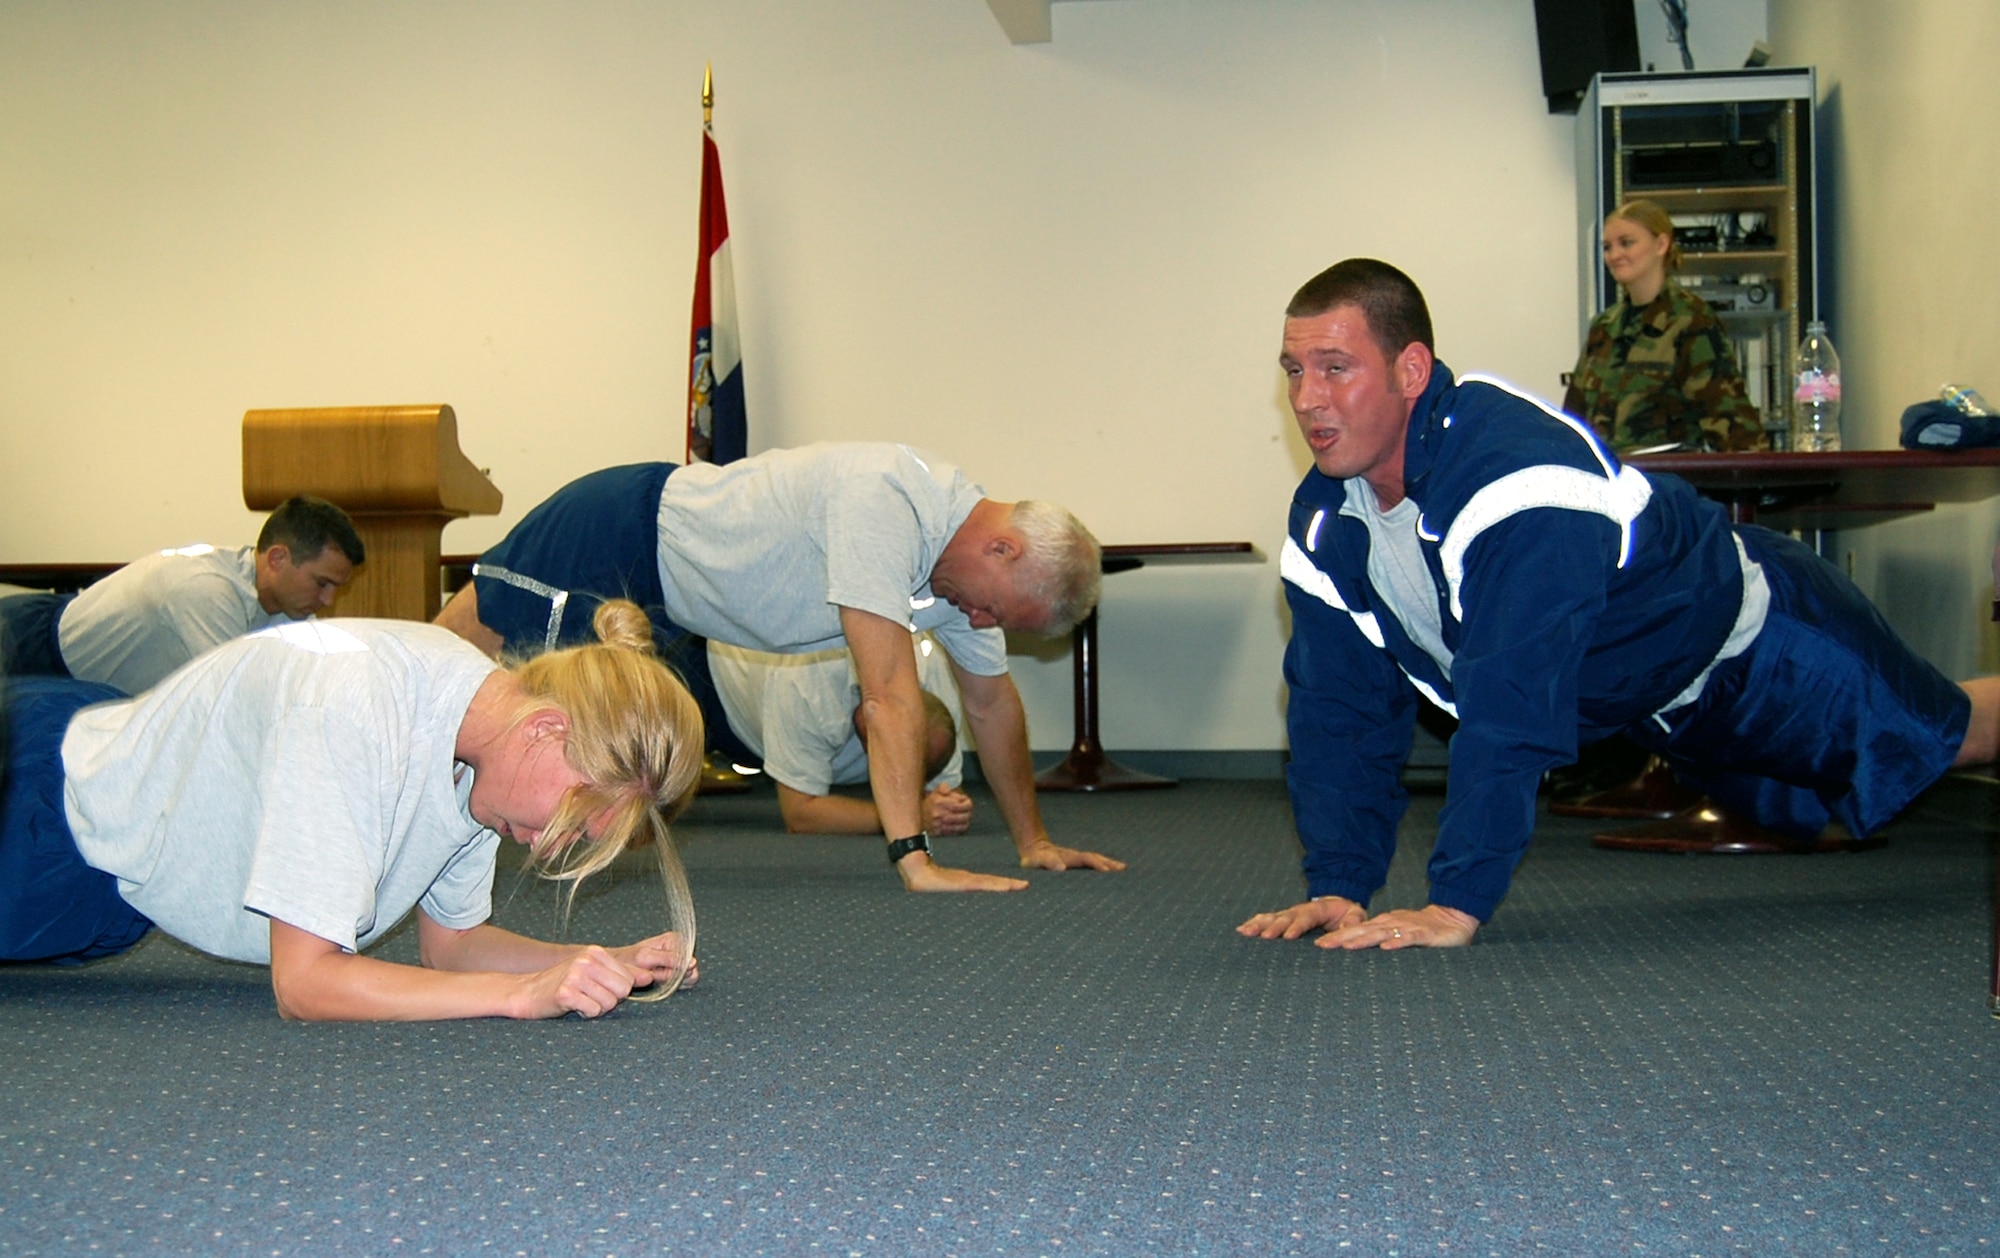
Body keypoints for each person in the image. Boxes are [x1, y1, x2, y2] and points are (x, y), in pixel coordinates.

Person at [1238, 258, 2000, 951]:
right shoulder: (1325, 521)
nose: (1308, 400)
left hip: (1763, 646)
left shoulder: (1513, 475)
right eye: (1293, 370)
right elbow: (1340, 708)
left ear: (1411, 371)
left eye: (1335, 368)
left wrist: (1456, 904)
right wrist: (1341, 883)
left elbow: (1510, 698)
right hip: (1660, 707)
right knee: (1815, 798)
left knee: (1950, 736)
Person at [433, 443, 1126, 893]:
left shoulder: (957, 581)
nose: (981, 626)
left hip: (679, 604)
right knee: (451, 672)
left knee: (493, 696)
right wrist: (914, 859)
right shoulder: (888, 506)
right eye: (995, 613)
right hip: (619, 528)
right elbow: (887, 695)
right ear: (1002, 550)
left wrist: (1032, 841)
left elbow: (992, 704)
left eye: (995, 624)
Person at [0, 599, 703, 1021]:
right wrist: (520, 995)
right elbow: (305, 983)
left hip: (112, 873)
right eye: (574, 822)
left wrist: (590, 961)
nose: (551, 848)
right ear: (547, 729)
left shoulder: (480, 745)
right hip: (38, 820)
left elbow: (451, 946)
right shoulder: (359, 713)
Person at [0, 495, 365, 694]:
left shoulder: (287, 604)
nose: (328, 601)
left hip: (74, 665)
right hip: (28, 641)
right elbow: (233, 698)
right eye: (322, 583)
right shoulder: (207, 591)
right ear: (277, 558)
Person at [707, 634, 975, 836]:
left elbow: (943, 791)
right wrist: (909, 819)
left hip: (803, 728)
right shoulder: (810, 679)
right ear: (872, 731)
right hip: (725, 696)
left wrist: (947, 809)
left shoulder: (934, 677)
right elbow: (799, 815)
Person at [1561, 198, 1765, 453]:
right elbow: (1573, 424)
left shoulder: (1691, 321)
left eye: (1626, 243)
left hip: (1667, 481)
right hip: (1608, 481)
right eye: (1607, 247)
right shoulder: (1604, 328)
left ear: (1661, 244)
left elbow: (1729, 420)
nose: (1614, 255)